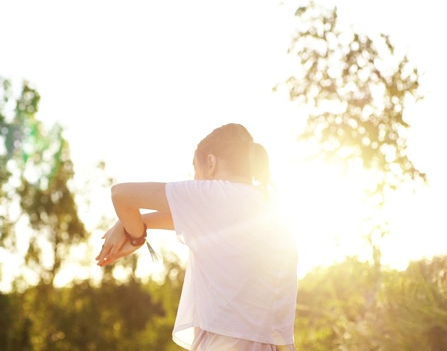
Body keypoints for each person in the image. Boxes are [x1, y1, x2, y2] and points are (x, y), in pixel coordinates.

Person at [96, 123, 297, 350]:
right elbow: (195, 218)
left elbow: (121, 194)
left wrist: (135, 236)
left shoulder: (215, 194)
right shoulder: (270, 204)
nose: (194, 178)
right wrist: (133, 225)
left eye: (195, 169)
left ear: (210, 163)